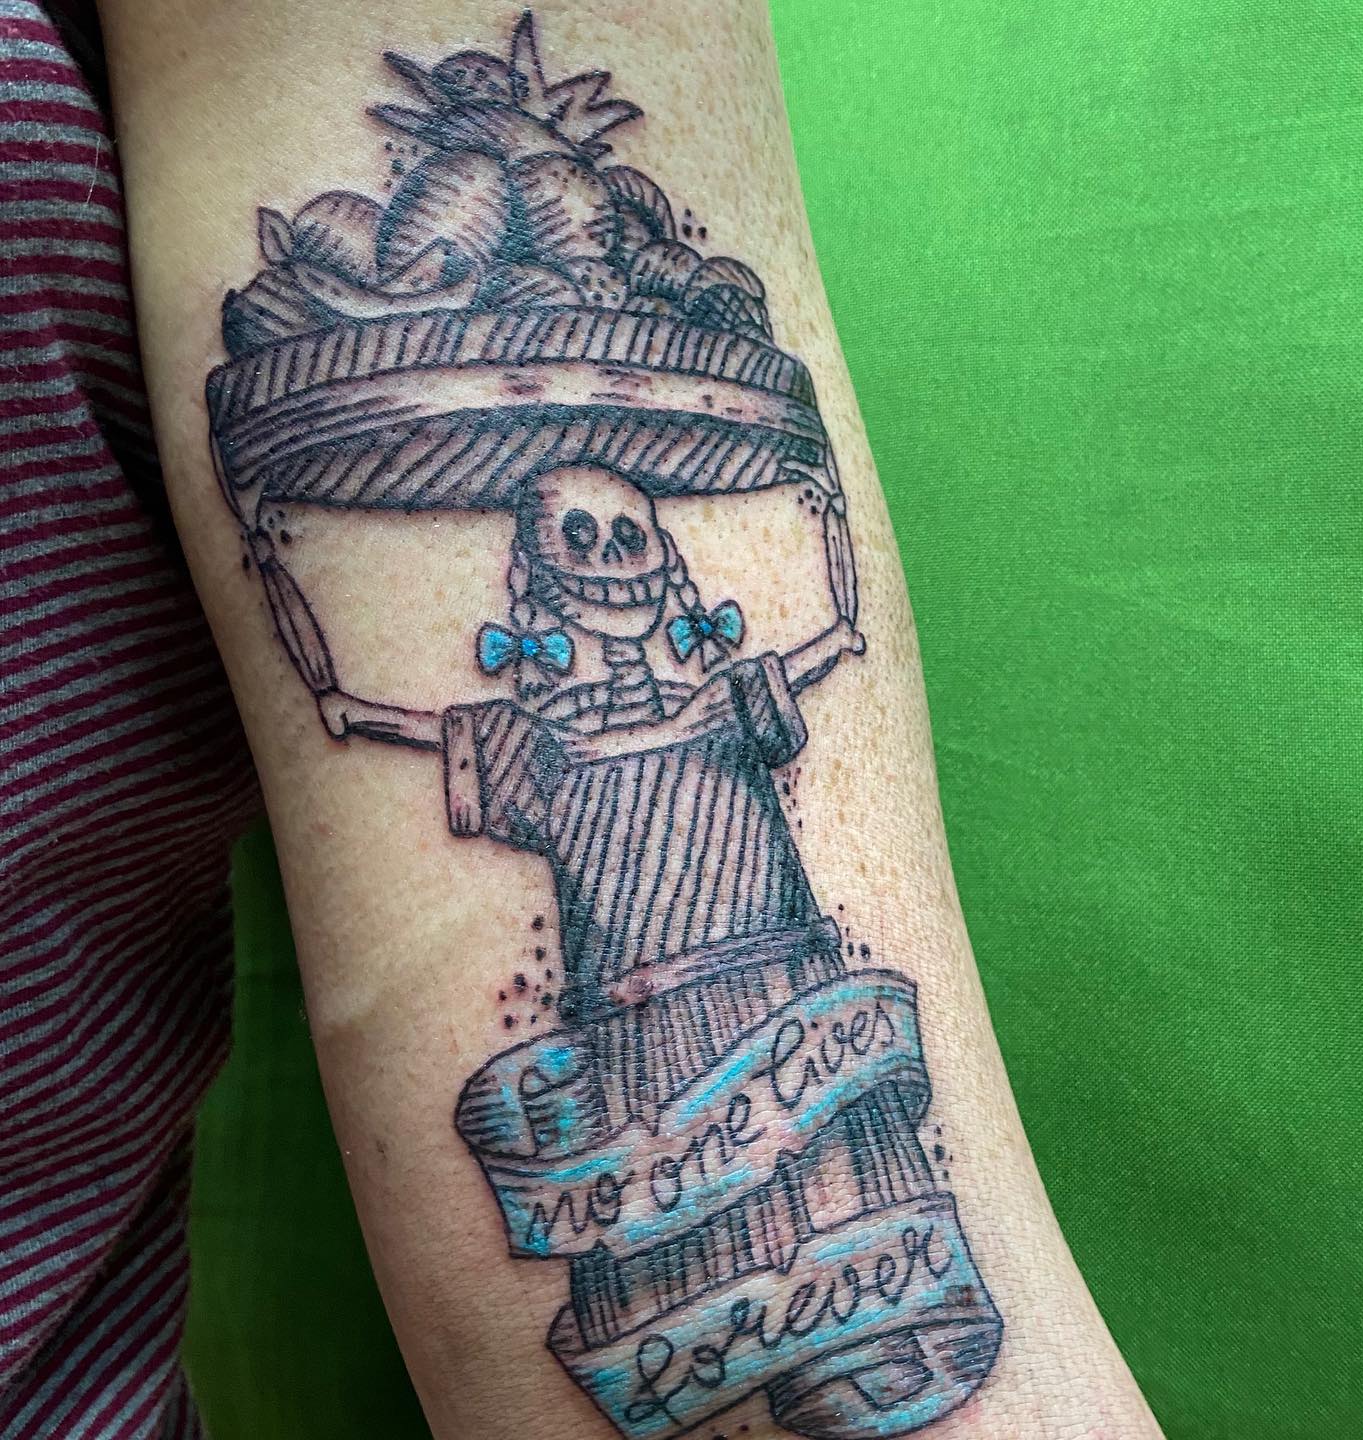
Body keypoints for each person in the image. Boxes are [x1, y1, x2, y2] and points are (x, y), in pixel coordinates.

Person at [2, 3, 1163, 1436]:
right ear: (534, 575)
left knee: (846, 1219)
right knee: (687, 1271)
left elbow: (825, 642)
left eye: (632, 541)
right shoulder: (526, 745)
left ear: (668, 561)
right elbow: (377, 718)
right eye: (581, 546)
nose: (615, 567)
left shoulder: (729, 693)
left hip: (781, 992)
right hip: (641, 1045)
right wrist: (333, 667)